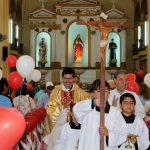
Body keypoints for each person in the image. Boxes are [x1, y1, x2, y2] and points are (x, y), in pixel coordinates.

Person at [46, 67, 91, 149]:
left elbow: (87, 109)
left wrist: (74, 106)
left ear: (73, 78)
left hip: (75, 130)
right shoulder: (55, 92)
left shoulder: (81, 93)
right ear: (62, 78)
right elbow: (50, 110)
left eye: (70, 78)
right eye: (65, 78)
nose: (67, 81)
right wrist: (63, 107)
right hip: (60, 128)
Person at [73, 79, 121, 150]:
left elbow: (121, 135)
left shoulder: (116, 113)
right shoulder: (86, 110)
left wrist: (108, 134)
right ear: (93, 94)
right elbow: (76, 109)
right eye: (99, 91)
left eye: (105, 91)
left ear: (109, 93)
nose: (102, 94)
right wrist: (94, 103)